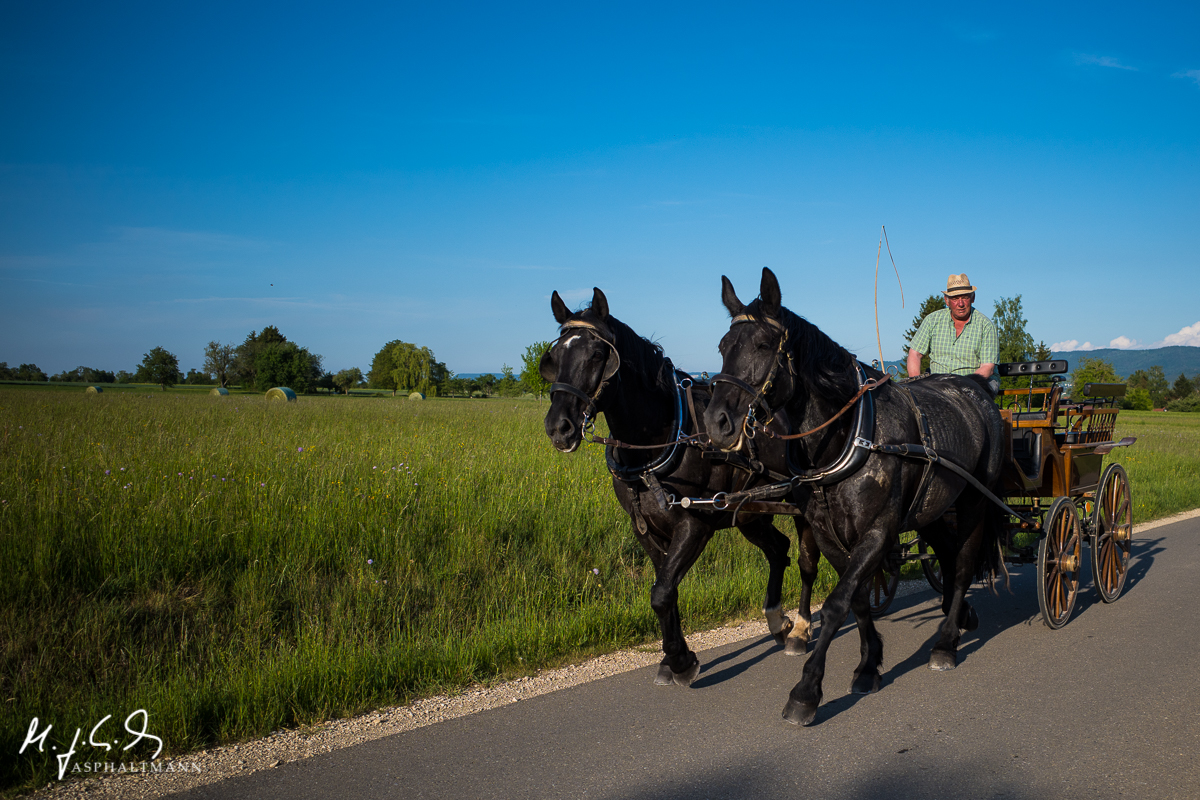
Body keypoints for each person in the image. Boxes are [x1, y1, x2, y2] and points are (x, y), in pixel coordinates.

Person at [906, 273, 999, 393]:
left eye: (965, 297)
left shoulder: (986, 326)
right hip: (938, 384)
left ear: (973, 298)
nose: (960, 304)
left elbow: (988, 368)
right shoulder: (932, 320)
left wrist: (960, 387)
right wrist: (916, 384)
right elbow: (915, 354)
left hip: (975, 383)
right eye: (955, 298)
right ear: (947, 300)